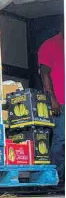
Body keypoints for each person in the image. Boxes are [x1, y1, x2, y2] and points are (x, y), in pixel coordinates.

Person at [38, 22, 65, 186]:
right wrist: (52, 99)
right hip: (61, 103)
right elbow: (45, 74)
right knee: (61, 141)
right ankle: (58, 178)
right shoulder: (50, 45)